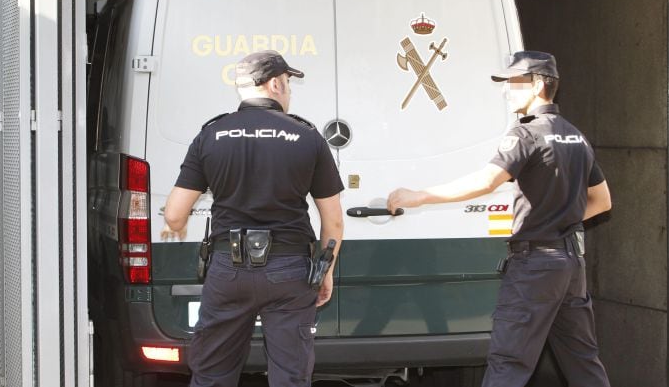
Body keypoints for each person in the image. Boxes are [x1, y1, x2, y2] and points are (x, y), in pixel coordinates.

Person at [387, 51, 612, 387]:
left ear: (537, 85)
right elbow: (602, 201)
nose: (507, 90)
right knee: (583, 363)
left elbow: (487, 181)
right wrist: (558, 217)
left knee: (509, 363)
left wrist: (419, 196)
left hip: (535, 265)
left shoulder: (526, 134)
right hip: (570, 265)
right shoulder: (576, 136)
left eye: (514, 82)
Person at [163, 50, 344, 387]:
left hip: (227, 268)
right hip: (290, 271)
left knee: (212, 375)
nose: (289, 91)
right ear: (275, 84)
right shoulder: (307, 137)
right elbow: (332, 221)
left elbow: (174, 216)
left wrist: (180, 222)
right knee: (291, 377)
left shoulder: (211, 135)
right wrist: (326, 271)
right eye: (289, 83)